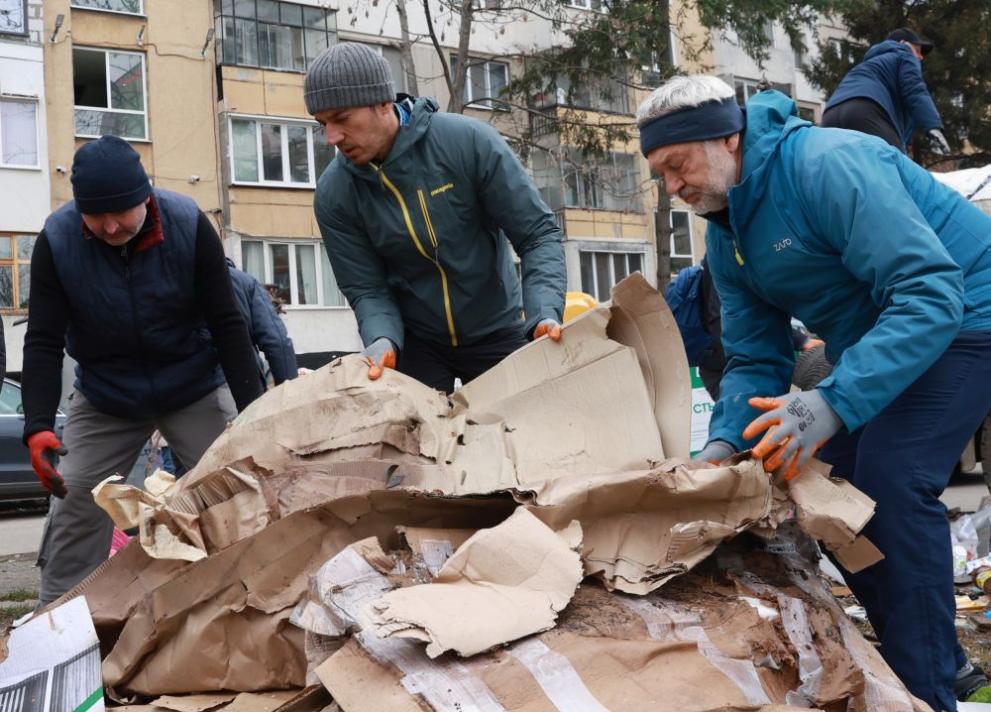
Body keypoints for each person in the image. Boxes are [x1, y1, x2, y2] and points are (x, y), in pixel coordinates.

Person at [637, 75, 991, 710]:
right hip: (889, 338)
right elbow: (753, 355)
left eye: (676, 165)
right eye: (659, 176)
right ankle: (903, 661)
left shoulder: (827, 165)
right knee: (826, 486)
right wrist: (721, 449)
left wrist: (831, 402)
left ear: (726, 136)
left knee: (890, 478)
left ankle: (930, 688)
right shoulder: (728, 234)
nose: (672, 188)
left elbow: (931, 293)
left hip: (970, 314)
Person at [23, 135, 263, 605]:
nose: (111, 226)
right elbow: (43, 341)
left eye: (122, 212)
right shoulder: (57, 240)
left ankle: (249, 598)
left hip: (192, 383)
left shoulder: (189, 224)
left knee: (231, 492)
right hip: (107, 394)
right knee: (73, 499)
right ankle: (57, 622)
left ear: (146, 197)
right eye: (97, 215)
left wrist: (256, 413)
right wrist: (35, 426)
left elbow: (229, 324)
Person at [305, 43, 566, 392]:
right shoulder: (334, 194)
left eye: (341, 119)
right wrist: (382, 338)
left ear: (383, 103)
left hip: (496, 328)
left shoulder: (468, 143)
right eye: (322, 123)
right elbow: (367, 287)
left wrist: (543, 312)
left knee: (522, 434)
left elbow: (536, 234)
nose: (331, 137)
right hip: (414, 343)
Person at [665, 258, 821, 400]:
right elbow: (733, 324)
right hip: (734, 365)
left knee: (744, 421)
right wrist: (801, 341)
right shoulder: (724, 265)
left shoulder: (716, 266)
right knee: (746, 421)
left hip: (715, 364)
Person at [821, 28, 950, 156]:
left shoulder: (869, 64)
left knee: (844, 173)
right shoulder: (904, 53)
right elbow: (915, 89)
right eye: (917, 50)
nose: (920, 57)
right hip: (866, 109)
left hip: (830, 115)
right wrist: (933, 126)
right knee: (895, 166)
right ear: (903, 43)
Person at [226, 257, 299, 389]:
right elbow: (277, 341)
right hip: (240, 381)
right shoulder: (244, 282)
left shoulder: (179, 279)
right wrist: (290, 392)